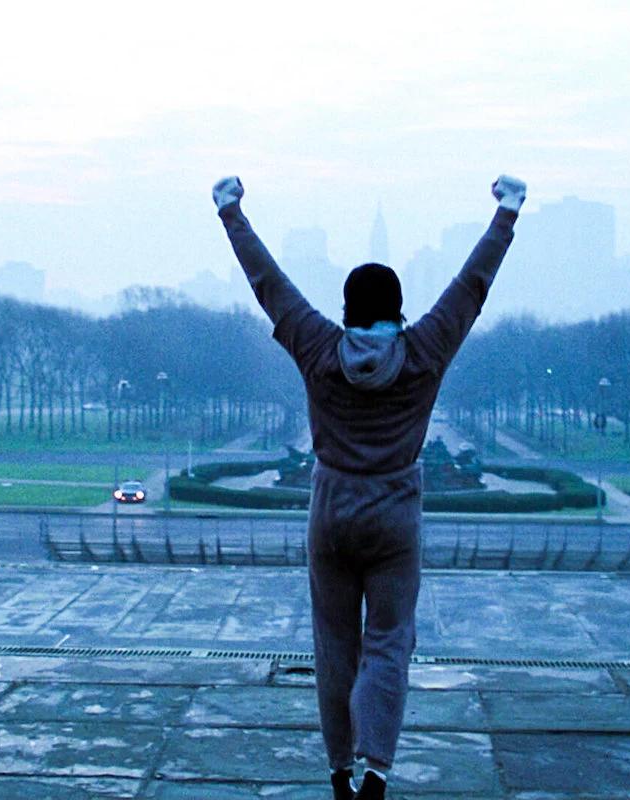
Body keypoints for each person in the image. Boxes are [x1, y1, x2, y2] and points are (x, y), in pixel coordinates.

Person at [212, 174, 524, 799]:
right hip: (395, 517)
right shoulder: (424, 349)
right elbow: (472, 288)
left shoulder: (320, 347)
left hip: (330, 513)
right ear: (397, 307)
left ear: (349, 308)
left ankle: (338, 774)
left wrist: (231, 213)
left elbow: (268, 284)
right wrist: (505, 216)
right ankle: (376, 770)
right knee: (388, 646)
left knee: (334, 646)